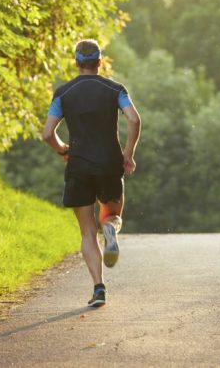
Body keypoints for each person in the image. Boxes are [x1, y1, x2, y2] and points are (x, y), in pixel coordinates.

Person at [41, 39, 141, 308]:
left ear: (76, 62)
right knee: (112, 214)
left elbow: (48, 133)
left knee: (87, 232)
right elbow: (134, 119)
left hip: (79, 166)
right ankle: (111, 228)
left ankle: (99, 288)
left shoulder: (64, 93)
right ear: (99, 62)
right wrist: (128, 154)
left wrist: (64, 150)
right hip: (109, 163)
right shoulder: (115, 89)